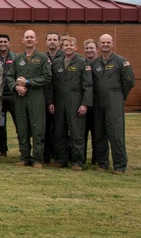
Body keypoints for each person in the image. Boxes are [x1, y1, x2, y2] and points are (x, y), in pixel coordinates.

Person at [6, 30, 51, 168]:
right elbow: (9, 76)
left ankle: (37, 159)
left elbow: (47, 77)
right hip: (20, 98)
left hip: (36, 97)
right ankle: (24, 157)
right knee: (22, 128)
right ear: (23, 41)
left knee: (38, 128)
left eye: (32, 37)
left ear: (36, 40)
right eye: (27, 37)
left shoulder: (43, 58)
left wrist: (28, 82)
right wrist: (15, 87)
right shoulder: (18, 59)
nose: (29, 39)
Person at [48, 34, 92, 170]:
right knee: (59, 132)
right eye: (66, 45)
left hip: (76, 102)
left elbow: (88, 85)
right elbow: (51, 85)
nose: (68, 47)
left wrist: (85, 103)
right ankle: (62, 159)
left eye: (71, 45)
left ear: (76, 47)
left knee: (76, 133)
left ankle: (77, 161)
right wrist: (50, 102)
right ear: (62, 47)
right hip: (59, 102)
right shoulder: (56, 63)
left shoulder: (82, 63)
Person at [93, 34, 134, 174]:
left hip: (114, 99)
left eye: (108, 42)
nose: (105, 44)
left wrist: (120, 96)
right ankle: (102, 163)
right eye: (103, 42)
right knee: (99, 133)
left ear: (112, 44)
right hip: (98, 101)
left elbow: (129, 82)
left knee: (116, 133)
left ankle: (120, 165)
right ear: (99, 44)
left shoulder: (121, 61)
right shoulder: (94, 64)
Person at [0, 34, 16, 157]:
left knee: (19, 123)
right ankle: (3, 150)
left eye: (5, 41)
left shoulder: (16, 58)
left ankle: (24, 151)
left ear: (9, 43)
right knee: (1, 124)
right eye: (0, 41)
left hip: (13, 96)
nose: (3, 44)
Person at [82, 39, 103, 167]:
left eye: (91, 48)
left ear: (97, 49)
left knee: (98, 133)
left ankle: (98, 158)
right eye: (87, 48)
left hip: (98, 103)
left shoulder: (101, 64)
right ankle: (81, 157)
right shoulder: (82, 63)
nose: (89, 50)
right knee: (82, 132)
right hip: (84, 103)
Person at [42, 31, 62, 163]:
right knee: (45, 127)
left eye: (55, 39)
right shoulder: (43, 57)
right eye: (50, 39)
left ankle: (59, 155)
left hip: (61, 97)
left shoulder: (65, 56)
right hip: (45, 97)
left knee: (60, 128)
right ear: (46, 42)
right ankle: (46, 155)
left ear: (59, 42)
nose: (52, 41)